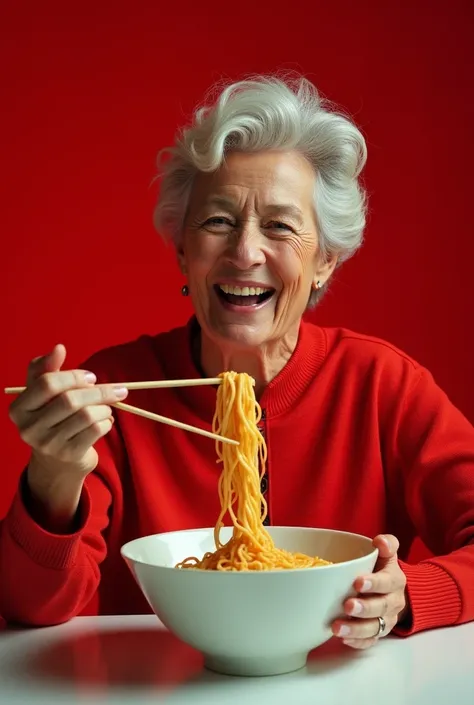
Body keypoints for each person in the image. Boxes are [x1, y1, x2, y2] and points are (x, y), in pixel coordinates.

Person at [1, 74, 473, 651]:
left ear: (325, 259)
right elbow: (32, 609)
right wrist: (53, 474)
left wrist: (408, 596)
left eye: (279, 225)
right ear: (182, 249)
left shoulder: (382, 384)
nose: (246, 252)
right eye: (217, 221)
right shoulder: (120, 392)